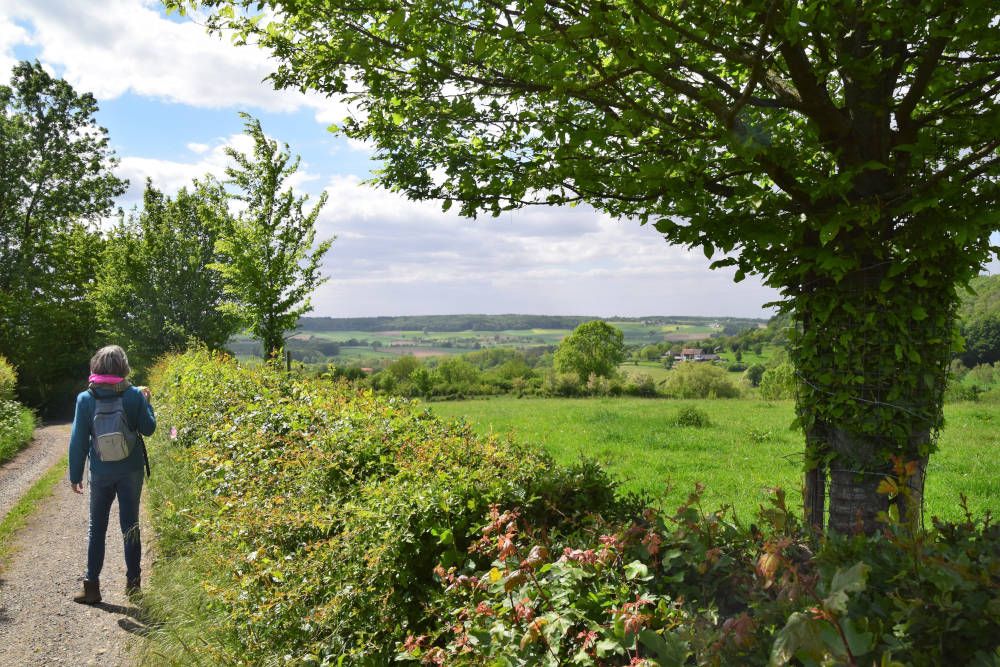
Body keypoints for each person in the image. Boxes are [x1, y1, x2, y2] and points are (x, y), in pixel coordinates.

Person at [69, 345, 156, 604]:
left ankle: (92, 587)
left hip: (100, 472)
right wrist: (147, 403)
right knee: (131, 526)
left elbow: (77, 442)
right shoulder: (133, 395)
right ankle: (133, 585)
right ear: (123, 367)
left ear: (96, 366)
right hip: (130, 471)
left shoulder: (86, 399)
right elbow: (149, 429)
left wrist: (75, 475)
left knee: (97, 528)